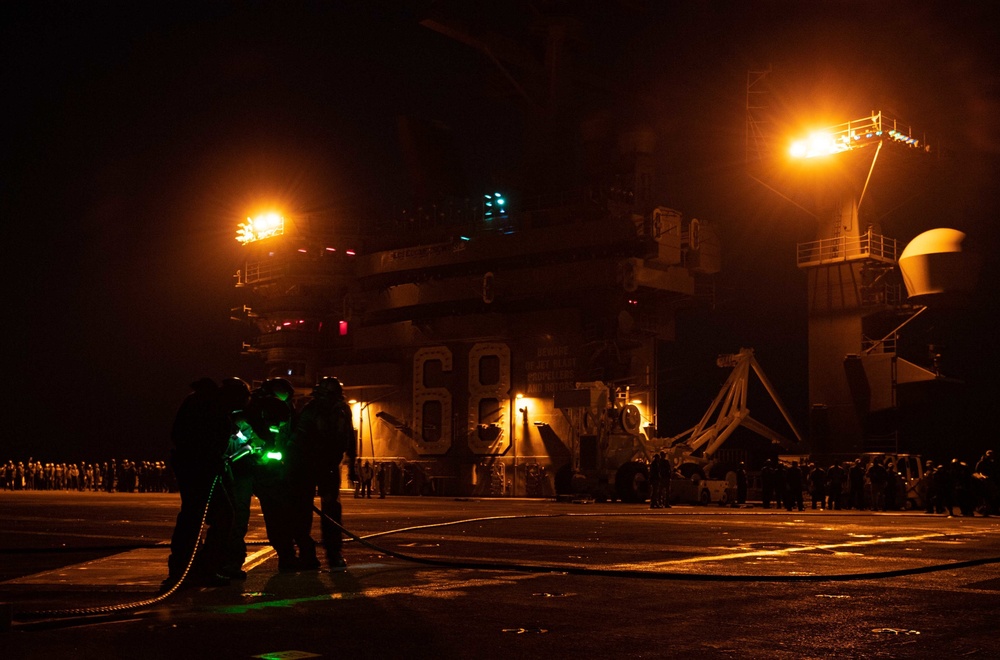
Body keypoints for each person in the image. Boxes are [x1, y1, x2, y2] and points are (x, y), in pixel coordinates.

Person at [162, 377, 249, 591]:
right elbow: (184, 436)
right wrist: (209, 458)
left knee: (207, 516)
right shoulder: (205, 404)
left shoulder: (211, 404)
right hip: (196, 469)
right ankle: (190, 568)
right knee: (202, 517)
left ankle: (196, 567)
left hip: (201, 467)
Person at [289, 376, 357, 570]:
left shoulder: (338, 411)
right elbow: (299, 440)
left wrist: (352, 464)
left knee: (325, 511)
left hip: (321, 467)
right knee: (311, 511)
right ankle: (315, 553)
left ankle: (325, 553)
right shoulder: (318, 411)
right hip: (311, 466)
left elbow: (348, 438)